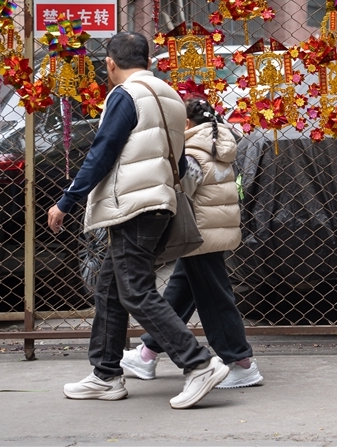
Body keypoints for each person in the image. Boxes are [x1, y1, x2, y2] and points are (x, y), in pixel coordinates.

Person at [47, 32, 229, 409]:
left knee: (134, 290)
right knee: (111, 291)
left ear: (111, 63)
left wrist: (67, 200)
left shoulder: (125, 95)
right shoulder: (170, 96)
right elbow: (177, 159)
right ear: (147, 58)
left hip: (133, 204)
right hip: (159, 201)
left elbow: (103, 151)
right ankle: (105, 375)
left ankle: (198, 364)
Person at [119, 97, 263, 389]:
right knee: (182, 290)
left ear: (185, 124)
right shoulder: (218, 144)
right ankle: (147, 354)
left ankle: (241, 362)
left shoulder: (194, 152)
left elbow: (182, 189)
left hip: (198, 233)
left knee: (214, 297)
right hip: (213, 232)